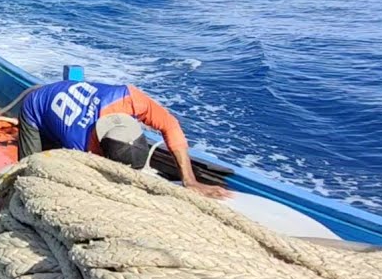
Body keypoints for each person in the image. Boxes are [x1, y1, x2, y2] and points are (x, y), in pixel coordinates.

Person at [17, 80, 229, 199]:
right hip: (37, 106)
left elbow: (170, 126)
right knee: (33, 172)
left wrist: (189, 180)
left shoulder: (132, 99)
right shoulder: (80, 142)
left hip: (71, 103)